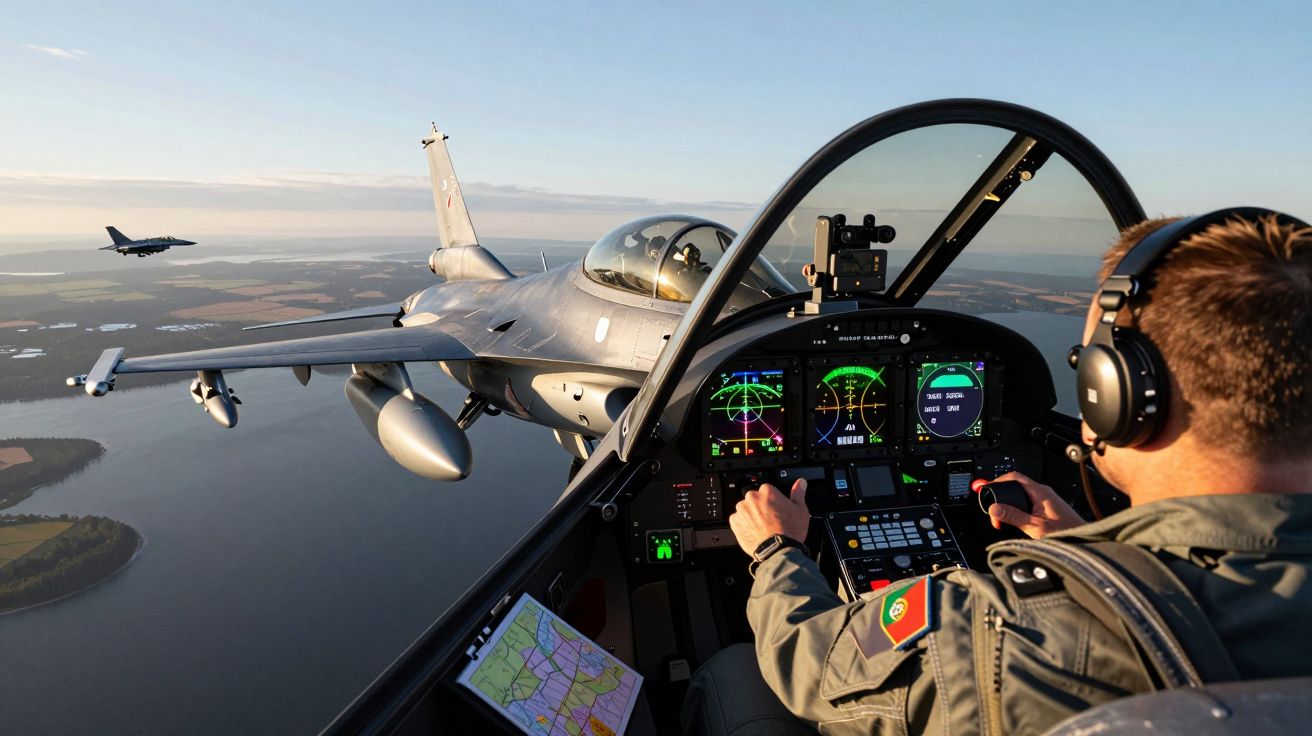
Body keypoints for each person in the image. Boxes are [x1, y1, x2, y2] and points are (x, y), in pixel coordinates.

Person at [682, 212, 1312, 736]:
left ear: (1117, 393)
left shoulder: (1007, 631)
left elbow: (812, 666)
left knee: (737, 671)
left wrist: (775, 550)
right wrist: (1087, 552)